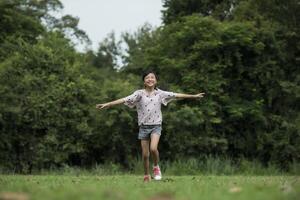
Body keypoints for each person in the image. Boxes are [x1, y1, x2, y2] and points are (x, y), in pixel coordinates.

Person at [96, 70, 205, 182]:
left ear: (156, 80)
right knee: (145, 155)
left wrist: (193, 96)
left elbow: (176, 95)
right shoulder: (139, 94)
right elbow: (124, 99)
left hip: (156, 125)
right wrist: (107, 104)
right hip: (143, 127)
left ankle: (156, 167)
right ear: (144, 81)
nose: (150, 79)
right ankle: (146, 175)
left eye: (152, 77)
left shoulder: (160, 93)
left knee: (153, 148)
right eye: (147, 78)